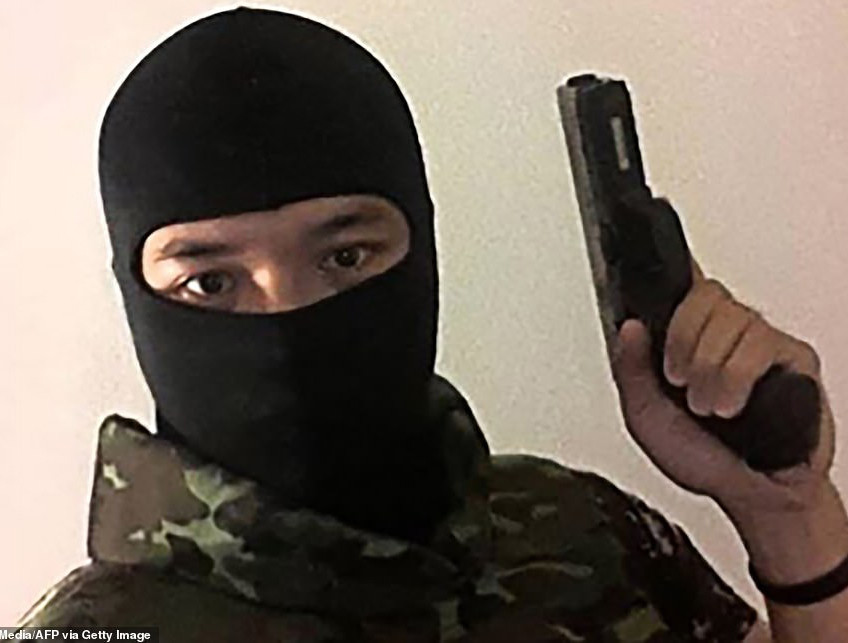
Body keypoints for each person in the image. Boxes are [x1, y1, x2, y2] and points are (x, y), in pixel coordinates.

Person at [16, 7, 848, 642]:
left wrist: (788, 519)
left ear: (422, 251)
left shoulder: (585, 529)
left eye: (344, 257)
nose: (287, 319)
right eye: (210, 280)